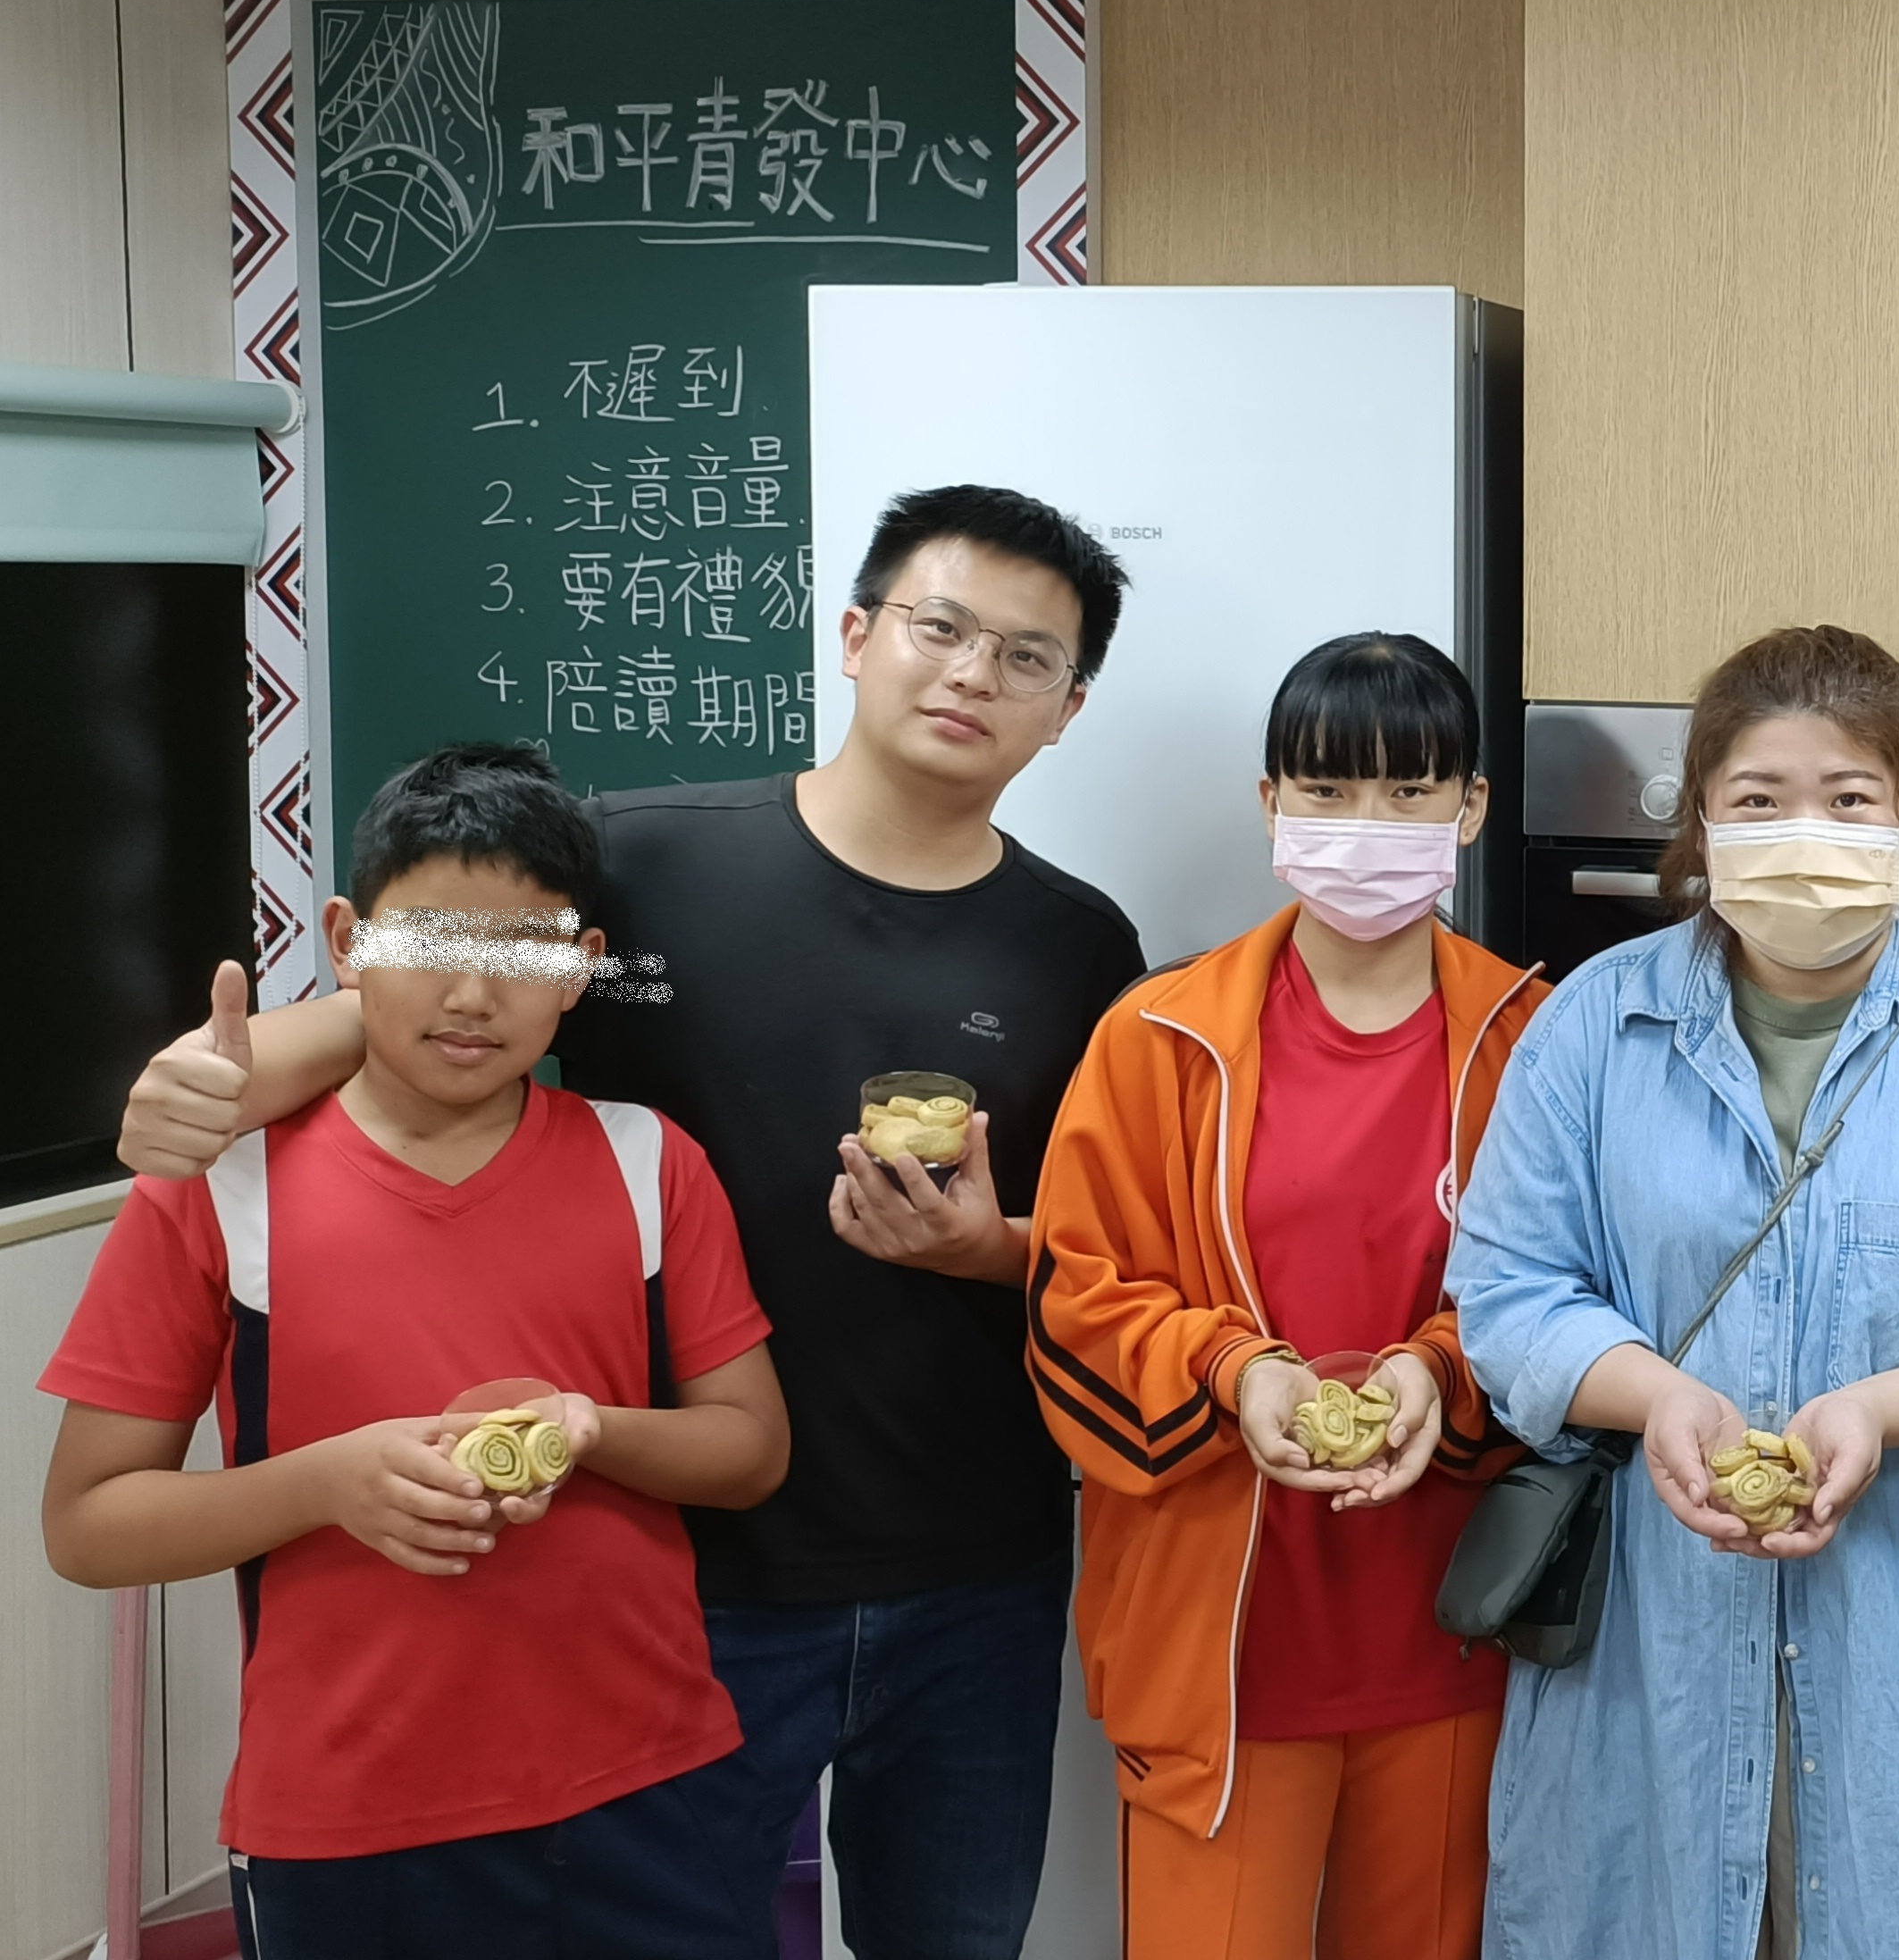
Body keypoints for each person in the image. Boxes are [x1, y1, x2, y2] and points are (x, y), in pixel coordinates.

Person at [115, 486, 1150, 1958]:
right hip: (681, 1567)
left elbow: (1115, 1244)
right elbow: (445, 996)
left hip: (974, 1566)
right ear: (857, 635)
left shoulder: (1080, 942)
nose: (974, 672)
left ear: (1069, 708)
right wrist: (219, 1078)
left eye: (1026, 656)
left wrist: (985, 1248)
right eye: (941, 626)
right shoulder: (648, 861)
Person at [1445, 624, 1899, 1960]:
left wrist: (1881, 1411)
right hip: (1643, 1658)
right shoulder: (1593, 1025)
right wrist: (1655, 1397)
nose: (1803, 834)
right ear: (1702, 820)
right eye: (1759, 800)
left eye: (1850, 799)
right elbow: (1510, 1290)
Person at [41, 744, 787, 1955]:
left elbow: (750, 1451)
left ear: (580, 967)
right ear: (349, 942)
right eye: (432, 939)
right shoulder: (222, 1188)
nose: (474, 993)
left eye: (524, 951)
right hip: (348, 1811)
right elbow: (86, 1524)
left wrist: (591, 1429)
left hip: (654, 1784)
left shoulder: (648, 1161)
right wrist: (329, 1484)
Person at [1029, 632, 1550, 1960]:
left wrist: (1437, 1369)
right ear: (1272, 804)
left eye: (1408, 792)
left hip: (1457, 1633)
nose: (1365, 825)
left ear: (1470, 808)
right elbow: (1076, 1295)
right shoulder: (1159, 1037)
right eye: (1326, 790)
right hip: (1219, 1646)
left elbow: (1585, 1295)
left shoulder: (1538, 1043)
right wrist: (1233, 1370)